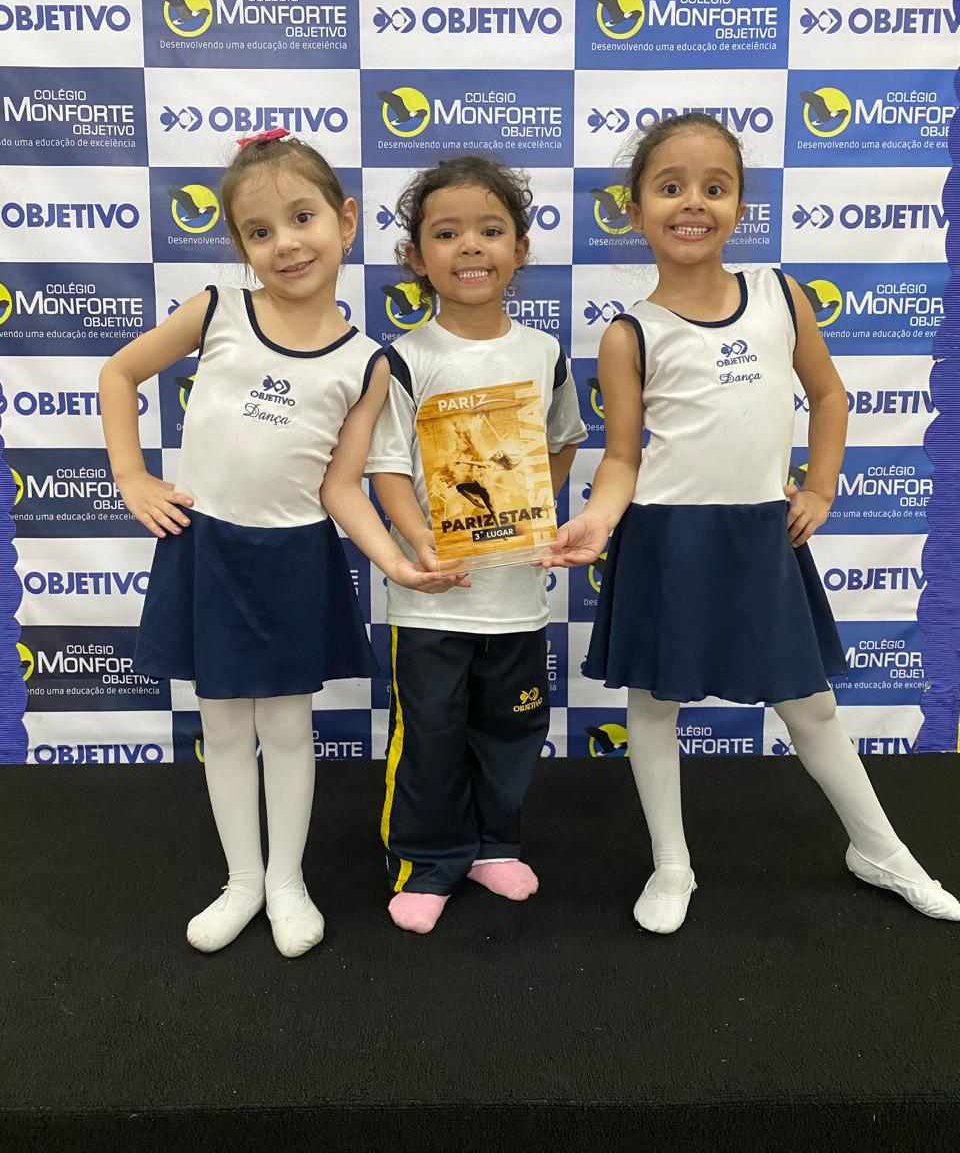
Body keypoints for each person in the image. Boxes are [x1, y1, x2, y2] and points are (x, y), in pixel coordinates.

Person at [544, 113, 959, 933]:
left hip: (760, 539)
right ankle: (672, 863)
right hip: (666, 542)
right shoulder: (630, 334)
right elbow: (622, 458)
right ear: (635, 208)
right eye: (670, 187)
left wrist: (821, 488)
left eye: (715, 186)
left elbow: (829, 396)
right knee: (653, 707)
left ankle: (881, 850)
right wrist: (596, 517)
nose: (693, 203)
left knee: (810, 707)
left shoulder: (779, 293)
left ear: (741, 205)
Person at [99, 129, 443, 958]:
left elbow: (342, 487)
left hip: (293, 560)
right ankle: (242, 881)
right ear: (240, 245)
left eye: (302, 217)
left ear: (345, 220)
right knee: (222, 727)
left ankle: (287, 881)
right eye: (260, 231)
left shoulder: (367, 363)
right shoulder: (216, 309)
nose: (285, 243)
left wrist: (396, 561)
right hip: (207, 550)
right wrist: (131, 476)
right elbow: (118, 373)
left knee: (287, 726)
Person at [366, 155, 587, 934]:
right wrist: (420, 543)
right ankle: (427, 861)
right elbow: (386, 468)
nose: (469, 247)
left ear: (519, 250)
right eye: (447, 233)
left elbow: (562, 440)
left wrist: (533, 511)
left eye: (490, 231)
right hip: (432, 600)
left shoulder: (544, 353)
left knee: (510, 728)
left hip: (516, 598)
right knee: (429, 737)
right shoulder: (403, 358)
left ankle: (494, 844)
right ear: (415, 256)